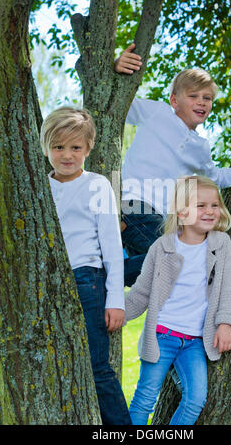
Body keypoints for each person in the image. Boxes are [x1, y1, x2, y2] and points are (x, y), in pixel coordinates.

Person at [40, 106, 131, 425]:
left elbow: (111, 245)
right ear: (46, 148)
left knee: (97, 368)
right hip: (47, 283)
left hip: (87, 280)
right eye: (58, 147)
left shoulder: (97, 185)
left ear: (89, 148)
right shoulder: (41, 187)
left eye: (76, 147)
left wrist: (115, 300)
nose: (67, 155)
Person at [124, 175, 231, 425]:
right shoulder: (162, 246)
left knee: (196, 399)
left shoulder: (222, 245)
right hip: (161, 336)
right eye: (201, 206)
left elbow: (230, 285)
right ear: (182, 212)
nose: (210, 211)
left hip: (195, 342)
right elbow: (143, 290)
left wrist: (225, 323)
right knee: (145, 398)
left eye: (215, 205)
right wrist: (116, 312)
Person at [115, 44, 231, 277]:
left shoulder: (200, 147)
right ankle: (107, 275)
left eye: (207, 98)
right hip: (133, 204)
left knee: (163, 267)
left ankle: (117, 267)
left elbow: (214, 177)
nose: (201, 102)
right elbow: (118, 104)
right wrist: (118, 68)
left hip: (158, 219)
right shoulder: (157, 113)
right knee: (172, 264)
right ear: (174, 101)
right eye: (193, 96)